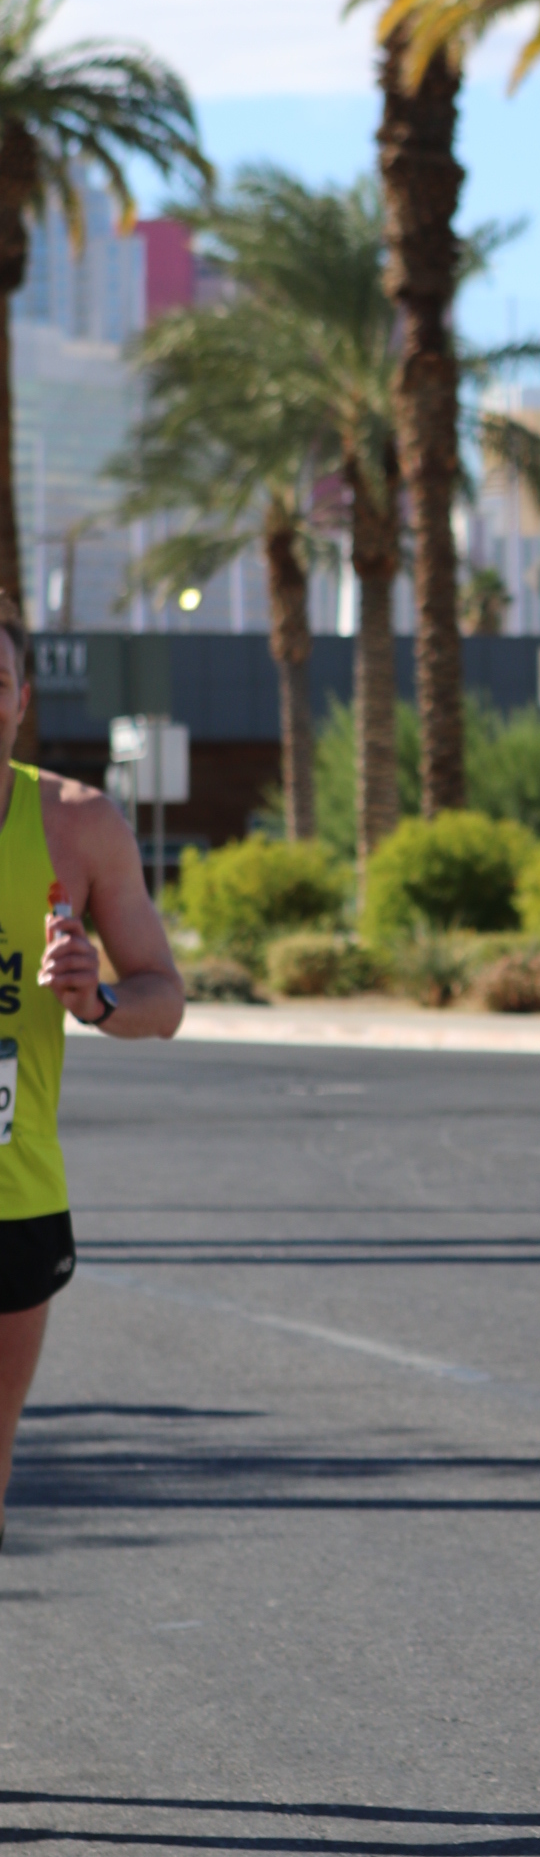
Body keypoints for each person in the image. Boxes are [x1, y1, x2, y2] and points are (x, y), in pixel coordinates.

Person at [0, 613, 185, 1547]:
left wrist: (98, 998)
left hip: (15, 1191)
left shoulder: (77, 824)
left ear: (21, 700)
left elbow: (164, 996)